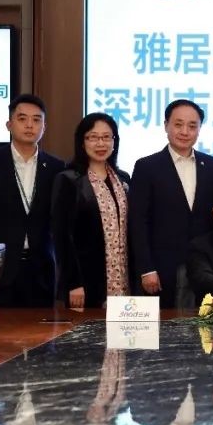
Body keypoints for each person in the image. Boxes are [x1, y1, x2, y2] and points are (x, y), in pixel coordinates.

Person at [0, 93, 64, 308]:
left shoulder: (56, 167)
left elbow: (61, 223)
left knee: (40, 328)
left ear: (44, 127)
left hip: (41, 272)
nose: (29, 125)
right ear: (9, 125)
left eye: (36, 120)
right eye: (22, 118)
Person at [129, 99, 213, 308]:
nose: (185, 131)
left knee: (203, 323)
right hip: (161, 268)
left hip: (205, 267)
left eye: (192, 126)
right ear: (166, 126)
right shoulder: (147, 167)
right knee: (164, 324)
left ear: (199, 129)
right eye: (178, 124)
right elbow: (138, 222)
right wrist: (146, 269)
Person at [51, 113, 131, 309]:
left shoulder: (123, 179)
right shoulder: (68, 180)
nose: (100, 143)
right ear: (82, 142)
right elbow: (62, 236)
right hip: (85, 281)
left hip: (123, 278)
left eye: (106, 137)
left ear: (114, 141)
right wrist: (73, 282)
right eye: (93, 137)